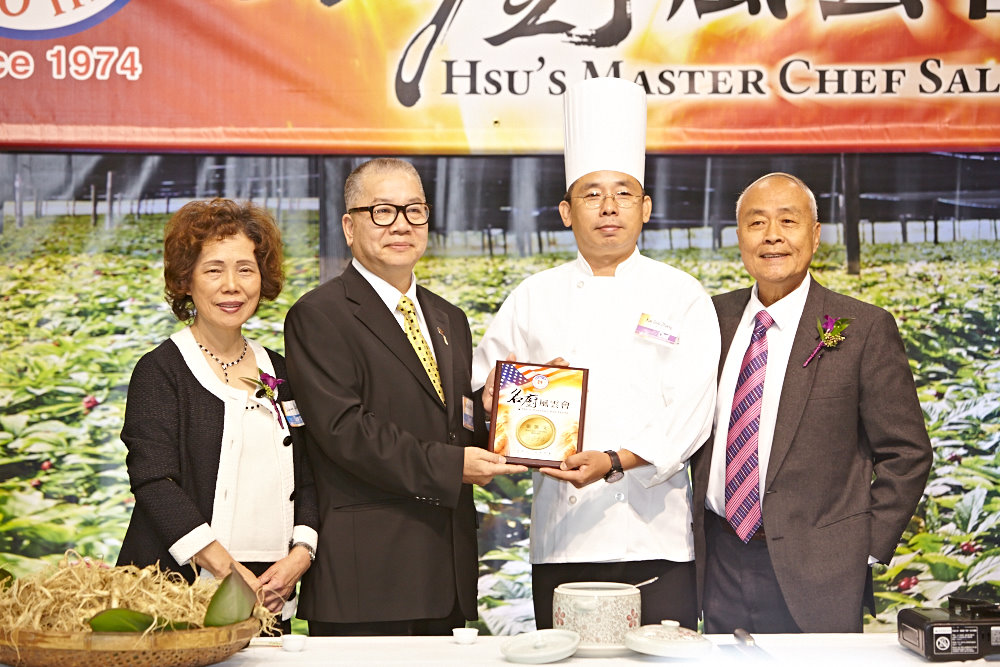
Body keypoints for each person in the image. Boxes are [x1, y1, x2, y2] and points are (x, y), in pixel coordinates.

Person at [472, 77, 721, 631]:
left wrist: (615, 460)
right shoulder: (533, 297)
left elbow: (692, 412)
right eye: (591, 194)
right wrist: (497, 401)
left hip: (656, 534)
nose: (608, 207)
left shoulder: (681, 295)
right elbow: (482, 392)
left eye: (623, 193)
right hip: (563, 537)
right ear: (566, 211)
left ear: (645, 207)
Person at [284, 157, 526, 636]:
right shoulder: (319, 315)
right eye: (382, 211)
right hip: (370, 575)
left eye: (414, 210)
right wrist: (452, 466)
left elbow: (454, 423)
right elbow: (344, 432)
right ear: (349, 227)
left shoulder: (448, 317)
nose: (401, 225)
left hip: (446, 570)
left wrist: (501, 410)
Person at [691, 172, 933, 633]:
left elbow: (907, 453)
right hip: (719, 561)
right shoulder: (710, 319)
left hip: (822, 572)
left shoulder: (863, 328)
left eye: (788, 221)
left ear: (816, 235)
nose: (772, 236)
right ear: (739, 237)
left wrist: (862, 547)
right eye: (756, 222)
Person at [117, 198, 319, 632]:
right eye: (213, 270)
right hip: (174, 593)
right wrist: (227, 570)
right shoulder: (160, 371)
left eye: (246, 269)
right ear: (186, 281)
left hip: (270, 590)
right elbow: (153, 481)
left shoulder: (282, 372)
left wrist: (301, 554)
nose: (232, 286)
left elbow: (310, 477)